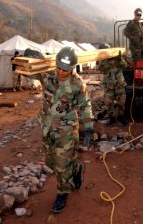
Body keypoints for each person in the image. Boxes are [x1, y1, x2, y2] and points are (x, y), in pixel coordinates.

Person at [34, 47, 94, 213]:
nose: (61, 72)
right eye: (59, 68)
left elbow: (86, 105)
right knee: (51, 162)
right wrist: (22, 62)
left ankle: (63, 193)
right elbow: (31, 71)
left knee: (61, 165)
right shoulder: (48, 75)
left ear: (72, 68)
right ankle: (76, 168)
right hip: (47, 127)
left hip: (66, 130)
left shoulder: (77, 84)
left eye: (65, 70)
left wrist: (89, 129)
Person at [97, 43, 128, 125]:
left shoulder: (117, 58)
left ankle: (121, 117)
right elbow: (101, 69)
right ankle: (112, 118)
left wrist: (120, 58)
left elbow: (125, 66)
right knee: (108, 103)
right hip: (109, 86)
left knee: (121, 103)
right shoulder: (102, 61)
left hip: (119, 85)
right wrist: (104, 60)